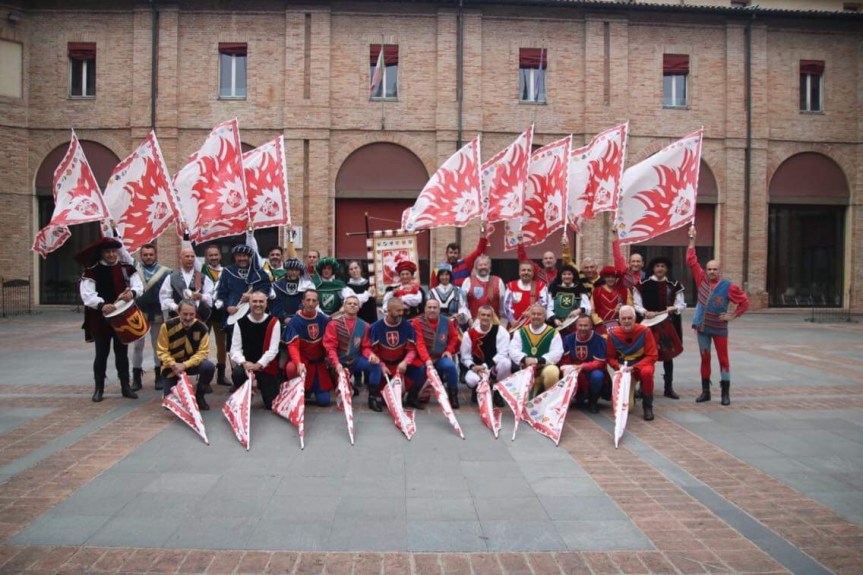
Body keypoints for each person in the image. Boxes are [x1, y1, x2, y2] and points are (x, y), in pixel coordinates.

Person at [687, 226, 749, 406]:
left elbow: (744, 302)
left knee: (723, 359)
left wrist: (733, 315)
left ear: (719, 270)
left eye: (714, 269)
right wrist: (692, 239)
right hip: (702, 327)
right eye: (709, 269)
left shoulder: (729, 286)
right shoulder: (701, 279)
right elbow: (691, 260)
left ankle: (725, 392)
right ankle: (705, 391)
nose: (711, 271)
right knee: (704, 358)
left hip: (719, 328)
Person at [78, 236, 144, 402]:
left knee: (122, 353)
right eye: (108, 251)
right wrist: (102, 305)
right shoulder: (92, 271)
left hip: (122, 318)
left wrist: (132, 293)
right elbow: (87, 295)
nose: (111, 254)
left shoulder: (127, 268)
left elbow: (138, 286)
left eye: (114, 251)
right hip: (101, 319)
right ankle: (98, 388)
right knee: (101, 354)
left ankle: (125, 386)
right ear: (102, 253)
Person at [634, 256, 685, 400]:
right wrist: (645, 312)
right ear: (653, 268)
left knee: (668, 356)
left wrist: (674, 308)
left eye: (663, 266)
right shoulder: (642, 284)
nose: (660, 269)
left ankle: (668, 388)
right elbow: (637, 305)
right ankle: (643, 387)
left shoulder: (674, 285)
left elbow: (681, 305)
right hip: (648, 324)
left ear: (667, 268)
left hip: (668, 324)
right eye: (657, 266)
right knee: (646, 356)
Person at [323, 295, 384, 411]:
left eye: (355, 304)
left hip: (355, 360)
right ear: (344, 306)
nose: (352, 305)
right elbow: (330, 348)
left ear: (359, 308)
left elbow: (365, 347)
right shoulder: (333, 324)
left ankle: (372, 398)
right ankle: (350, 387)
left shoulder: (365, 325)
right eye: (349, 303)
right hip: (339, 362)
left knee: (376, 365)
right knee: (341, 392)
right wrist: (336, 364)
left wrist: (371, 355)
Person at [156, 299, 215, 410]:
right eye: (185, 314)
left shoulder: (202, 328)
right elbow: (162, 350)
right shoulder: (167, 326)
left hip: (191, 364)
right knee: (171, 406)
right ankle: (172, 389)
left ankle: (200, 396)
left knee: (208, 367)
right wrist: (173, 364)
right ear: (178, 312)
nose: (188, 318)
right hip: (171, 367)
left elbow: (203, 352)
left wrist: (185, 365)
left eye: (191, 314)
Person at [369, 297, 426, 409]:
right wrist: (381, 365)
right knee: (387, 400)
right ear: (389, 310)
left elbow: (412, 350)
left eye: (402, 310)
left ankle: (412, 397)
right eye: (397, 310)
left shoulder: (408, 326)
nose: (401, 313)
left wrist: (405, 362)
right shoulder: (376, 327)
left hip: (400, 364)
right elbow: (373, 352)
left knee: (421, 368)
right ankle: (372, 398)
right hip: (384, 366)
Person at [229, 291, 281, 409]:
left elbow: (273, 350)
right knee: (237, 373)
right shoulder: (240, 323)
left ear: (266, 304)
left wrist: (258, 365)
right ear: (249, 303)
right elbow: (235, 350)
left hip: (265, 367)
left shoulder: (274, 322)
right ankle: (245, 393)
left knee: (271, 405)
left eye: (261, 301)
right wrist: (244, 363)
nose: (258, 304)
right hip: (246, 368)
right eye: (254, 301)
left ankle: (261, 387)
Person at [606, 306, 658, 421]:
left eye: (630, 318)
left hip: (642, 365)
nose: (627, 321)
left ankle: (647, 406)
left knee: (647, 372)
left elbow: (652, 355)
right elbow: (610, 357)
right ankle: (631, 393)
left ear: (635, 319)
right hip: (624, 369)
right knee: (628, 408)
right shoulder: (613, 335)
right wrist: (617, 366)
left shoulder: (645, 331)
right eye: (623, 318)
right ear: (619, 320)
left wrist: (635, 367)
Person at [131, 243, 171, 391]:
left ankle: (159, 377)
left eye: (150, 255)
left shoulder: (166, 272)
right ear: (141, 256)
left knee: (157, 345)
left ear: (155, 255)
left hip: (157, 313)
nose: (148, 257)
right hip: (138, 313)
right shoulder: (134, 270)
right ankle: (136, 377)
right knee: (137, 346)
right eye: (145, 255)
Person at [283, 290, 332, 406]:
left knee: (324, 401)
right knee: (291, 367)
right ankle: (296, 389)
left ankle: (310, 389)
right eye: (308, 300)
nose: (310, 303)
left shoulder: (323, 319)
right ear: (303, 302)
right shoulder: (295, 321)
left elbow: (330, 341)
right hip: (303, 363)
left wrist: (329, 357)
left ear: (317, 303)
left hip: (319, 364)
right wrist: (298, 363)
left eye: (314, 300)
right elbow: (293, 346)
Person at [412, 299, 462, 408]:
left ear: (439, 310)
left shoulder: (446, 321)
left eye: (435, 307)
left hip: (439, 357)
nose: (432, 310)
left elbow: (454, 337)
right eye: (429, 307)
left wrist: (449, 350)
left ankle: (453, 396)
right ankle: (413, 396)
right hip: (422, 357)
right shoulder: (417, 322)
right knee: (420, 370)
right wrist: (427, 360)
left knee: (450, 366)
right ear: (425, 309)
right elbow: (419, 343)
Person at [509, 303, 563, 398]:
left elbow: (557, 353)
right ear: (530, 316)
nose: (536, 316)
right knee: (525, 405)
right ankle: (532, 393)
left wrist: (537, 361)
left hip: (543, 369)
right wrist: (525, 359)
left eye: (539, 314)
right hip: (526, 370)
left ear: (545, 316)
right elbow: (513, 350)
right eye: (533, 314)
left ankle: (549, 400)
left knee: (553, 372)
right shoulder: (520, 331)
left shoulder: (553, 332)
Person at [461, 305, 510, 406]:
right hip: (476, 369)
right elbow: (465, 357)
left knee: (506, 363)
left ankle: (498, 391)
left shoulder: (501, 331)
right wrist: (473, 366)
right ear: (478, 316)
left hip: (492, 368)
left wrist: (485, 366)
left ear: (492, 317)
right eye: (483, 315)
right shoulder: (469, 334)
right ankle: (477, 389)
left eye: (488, 315)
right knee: (471, 380)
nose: (485, 317)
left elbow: (503, 353)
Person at [214, 244, 271, 332]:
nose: (242, 258)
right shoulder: (227, 272)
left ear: (249, 257)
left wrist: (252, 296)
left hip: (254, 315)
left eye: (244, 256)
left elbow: (266, 290)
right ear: (234, 257)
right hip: (233, 314)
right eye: (239, 256)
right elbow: (221, 294)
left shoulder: (259, 273)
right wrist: (227, 307)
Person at [560, 315, 608, 413]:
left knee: (597, 376)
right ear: (576, 326)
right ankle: (578, 396)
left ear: (591, 326)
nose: (583, 328)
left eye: (586, 325)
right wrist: (571, 368)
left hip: (592, 370)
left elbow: (600, 362)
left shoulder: (599, 340)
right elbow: (564, 361)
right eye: (580, 325)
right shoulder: (569, 339)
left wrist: (583, 366)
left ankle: (593, 401)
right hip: (575, 370)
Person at [199, 244, 229, 387]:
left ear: (220, 256)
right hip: (204, 312)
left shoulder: (226, 271)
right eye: (210, 255)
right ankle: (203, 376)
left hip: (220, 312)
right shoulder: (201, 270)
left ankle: (221, 375)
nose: (214, 257)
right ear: (206, 257)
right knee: (203, 343)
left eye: (216, 255)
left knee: (221, 344)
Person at [159, 246, 211, 319]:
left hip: (198, 319)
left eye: (192, 257)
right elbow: (164, 298)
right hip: (177, 318)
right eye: (187, 256)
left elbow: (211, 297)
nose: (190, 259)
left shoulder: (202, 277)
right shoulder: (171, 277)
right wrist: (176, 307)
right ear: (180, 259)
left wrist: (201, 297)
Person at [504, 261, 551, 326]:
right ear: (519, 272)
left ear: (533, 273)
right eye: (523, 270)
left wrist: (531, 313)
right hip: (515, 326)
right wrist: (512, 320)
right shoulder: (511, 286)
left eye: (529, 270)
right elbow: (506, 306)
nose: (526, 272)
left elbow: (543, 304)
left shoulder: (541, 286)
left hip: (534, 326)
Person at [462, 255, 506, 321]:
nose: (483, 267)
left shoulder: (498, 281)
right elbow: (463, 303)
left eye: (485, 265)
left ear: (489, 266)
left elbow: (503, 304)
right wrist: (468, 318)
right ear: (476, 267)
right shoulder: (468, 281)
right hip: (474, 323)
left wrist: (502, 321)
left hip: (494, 323)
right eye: (480, 265)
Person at [270, 257, 315, 323]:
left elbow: (307, 300)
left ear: (300, 271)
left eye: (296, 270)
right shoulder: (277, 285)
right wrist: (284, 317)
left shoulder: (306, 285)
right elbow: (275, 303)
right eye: (291, 270)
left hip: (301, 318)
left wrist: (301, 311)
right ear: (287, 270)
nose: (294, 272)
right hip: (280, 320)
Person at [548, 264, 591, 331]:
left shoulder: (579, 288)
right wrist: (554, 319)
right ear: (560, 276)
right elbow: (548, 308)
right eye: (564, 274)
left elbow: (588, 307)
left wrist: (579, 310)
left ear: (573, 275)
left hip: (575, 326)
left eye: (569, 274)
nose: (567, 276)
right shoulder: (554, 288)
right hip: (557, 325)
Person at [591, 266, 632, 334]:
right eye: (608, 277)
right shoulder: (597, 291)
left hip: (621, 325)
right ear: (604, 278)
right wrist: (599, 322)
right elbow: (592, 310)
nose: (610, 279)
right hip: (601, 326)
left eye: (613, 277)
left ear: (616, 278)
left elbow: (630, 308)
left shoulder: (625, 290)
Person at [346, 260, 378, 325]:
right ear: (349, 272)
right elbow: (355, 300)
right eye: (351, 269)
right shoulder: (346, 287)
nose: (354, 270)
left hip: (371, 318)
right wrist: (368, 294)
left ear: (360, 269)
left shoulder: (370, 283)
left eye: (356, 268)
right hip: (356, 319)